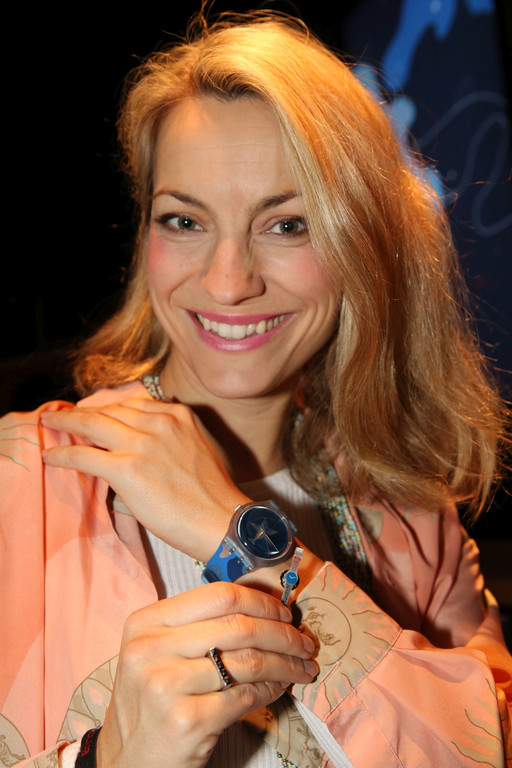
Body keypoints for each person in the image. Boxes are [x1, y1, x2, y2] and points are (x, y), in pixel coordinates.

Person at [1, 10, 511, 768]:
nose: (228, 281)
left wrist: (235, 533)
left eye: (287, 225)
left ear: (362, 244)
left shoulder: (411, 516)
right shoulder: (20, 484)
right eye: (184, 221)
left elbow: (484, 743)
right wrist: (108, 757)